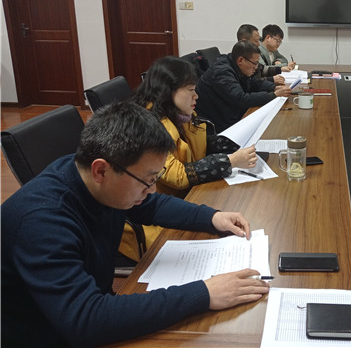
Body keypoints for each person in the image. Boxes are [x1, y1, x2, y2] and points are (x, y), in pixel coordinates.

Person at [1, 102, 270, 347]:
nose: (151, 190)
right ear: (101, 171)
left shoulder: (97, 179)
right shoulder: (41, 221)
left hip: (88, 310)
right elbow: (86, 319)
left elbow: (152, 205)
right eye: (147, 180)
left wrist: (212, 217)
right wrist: (204, 293)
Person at [131, 56, 258, 198]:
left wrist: (231, 142)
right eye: (191, 90)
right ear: (168, 91)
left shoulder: (179, 114)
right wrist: (229, 162)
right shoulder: (147, 127)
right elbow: (177, 176)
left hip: (190, 192)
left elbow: (197, 147)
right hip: (167, 200)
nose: (196, 96)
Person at [195, 40, 292, 133]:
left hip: (230, 115)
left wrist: (273, 87)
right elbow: (241, 99)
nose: (256, 67)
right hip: (217, 126)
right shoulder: (222, 72)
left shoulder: (236, 65)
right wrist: (273, 95)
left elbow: (254, 82)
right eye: (255, 63)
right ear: (240, 60)